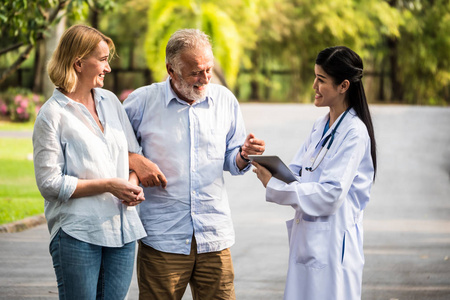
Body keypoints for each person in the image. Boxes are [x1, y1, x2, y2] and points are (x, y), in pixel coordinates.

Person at [124, 28, 266, 300]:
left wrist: (244, 154)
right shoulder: (142, 102)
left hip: (214, 237)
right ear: (171, 69)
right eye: (195, 72)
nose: (204, 79)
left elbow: (232, 160)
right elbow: (112, 148)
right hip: (163, 238)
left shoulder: (225, 101)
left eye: (209, 70)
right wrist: (134, 160)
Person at [252, 46, 377, 300]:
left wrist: (274, 186)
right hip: (309, 239)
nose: (314, 86)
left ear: (343, 86)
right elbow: (297, 171)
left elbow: (331, 195)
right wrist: (274, 170)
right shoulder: (320, 125)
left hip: (333, 247)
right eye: (315, 77)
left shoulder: (354, 132)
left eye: (321, 80)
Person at [32, 24, 147, 299]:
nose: (108, 68)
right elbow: (49, 184)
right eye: (103, 60)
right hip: (77, 233)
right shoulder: (52, 115)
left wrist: (130, 185)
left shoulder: (110, 102)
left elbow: (133, 155)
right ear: (79, 63)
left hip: (122, 232)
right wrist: (108, 185)